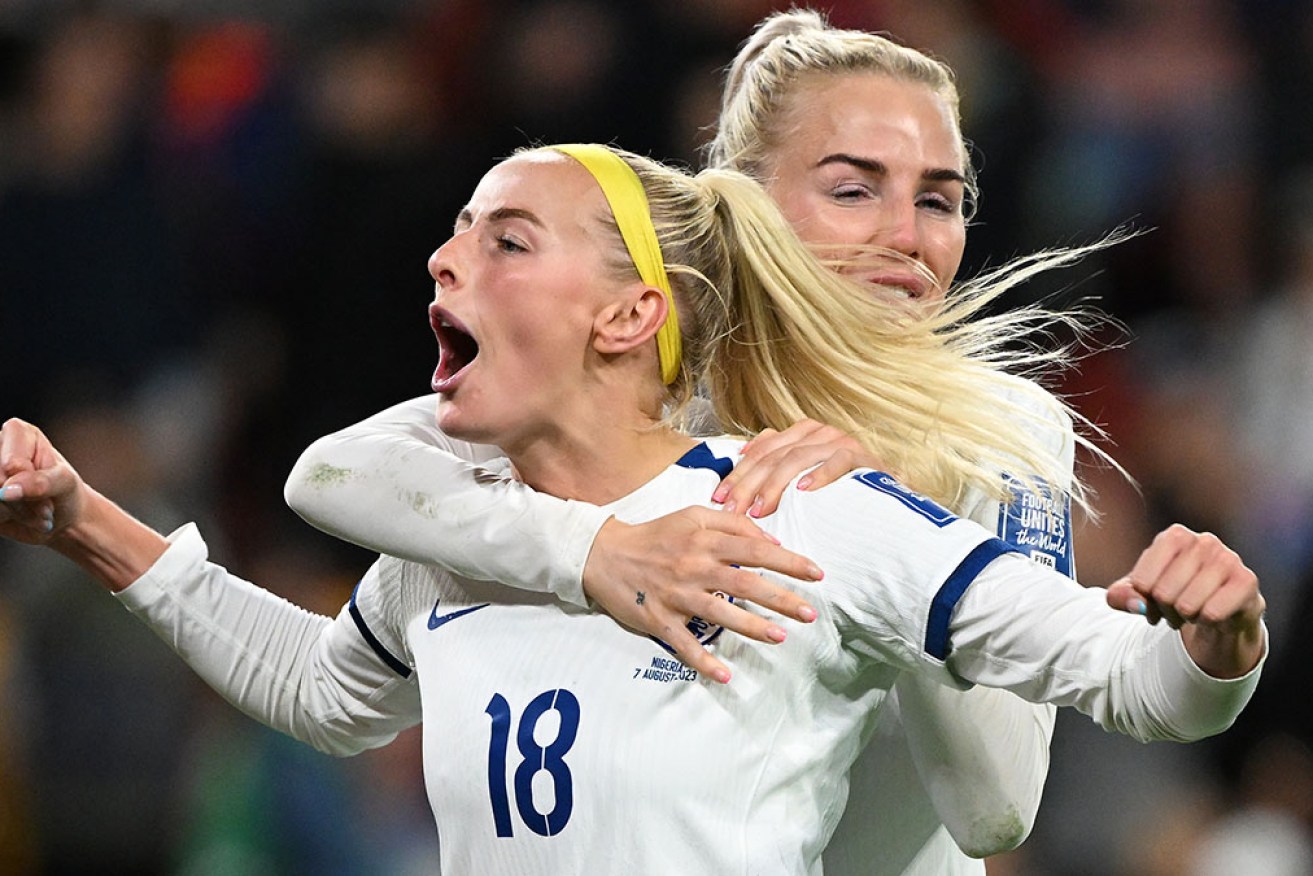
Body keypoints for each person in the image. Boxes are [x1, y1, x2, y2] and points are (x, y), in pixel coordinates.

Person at [0, 144, 1266, 874]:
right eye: (453, 235)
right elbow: (329, 693)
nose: (446, 261)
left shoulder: (803, 510)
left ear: (626, 316)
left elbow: (1131, 683)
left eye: (504, 241)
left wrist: (1217, 640)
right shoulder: (462, 531)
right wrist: (86, 525)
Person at [282, 9, 1094, 871]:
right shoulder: (650, 396)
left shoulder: (999, 431)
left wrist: (902, 517)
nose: (907, 237)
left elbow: (996, 810)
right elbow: (338, 473)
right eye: (852, 189)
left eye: (938, 199)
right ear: (740, 195)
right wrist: (594, 550)